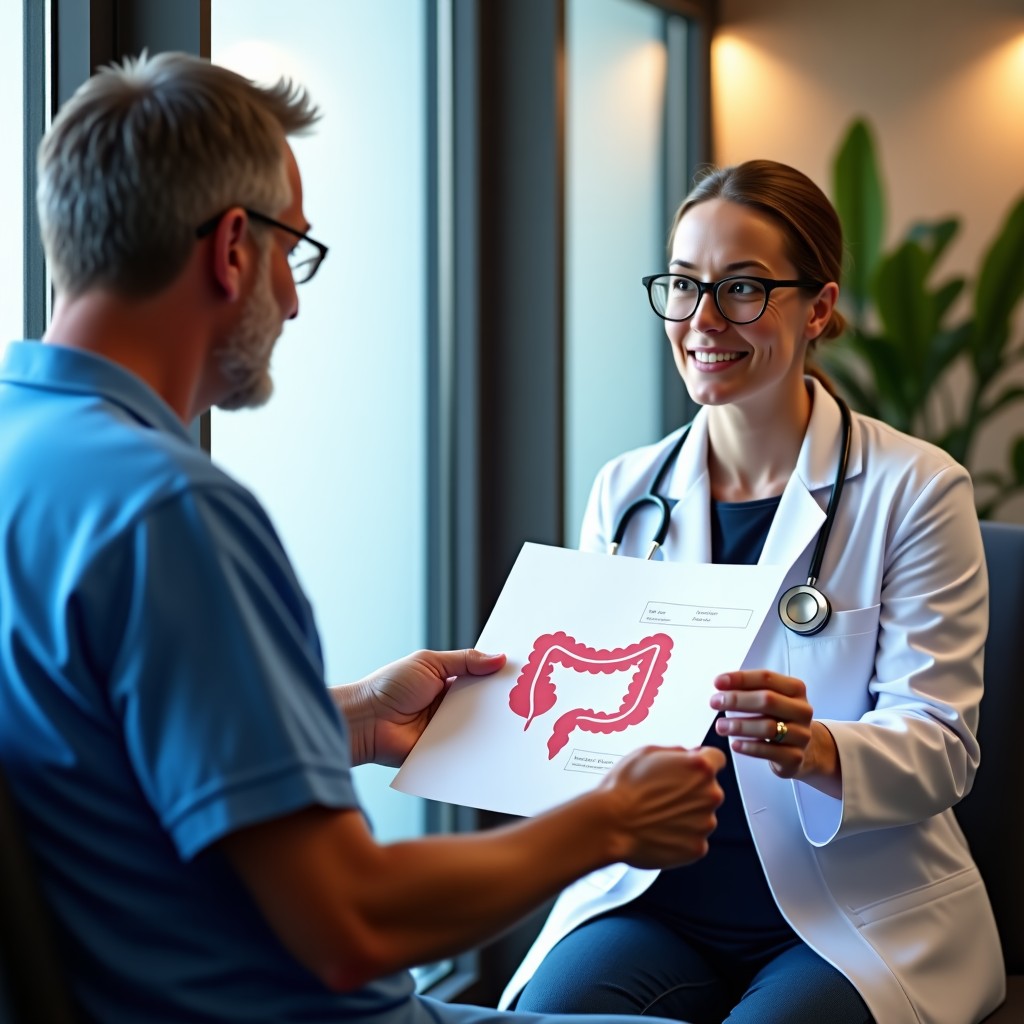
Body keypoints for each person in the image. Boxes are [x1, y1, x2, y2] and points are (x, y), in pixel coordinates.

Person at [0, 52, 729, 1024]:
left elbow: (106, 761)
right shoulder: (167, 510)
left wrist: (349, 720)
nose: (295, 300)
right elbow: (352, 925)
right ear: (229, 248)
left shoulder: (30, 457)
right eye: (292, 252)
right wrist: (607, 821)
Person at [499, 160, 1006, 1024]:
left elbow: (942, 745)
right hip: (655, 901)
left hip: (850, 912)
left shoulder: (916, 490)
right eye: (683, 285)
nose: (702, 320)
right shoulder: (627, 492)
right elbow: (590, 723)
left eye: (741, 288)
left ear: (816, 307)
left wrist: (819, 749)